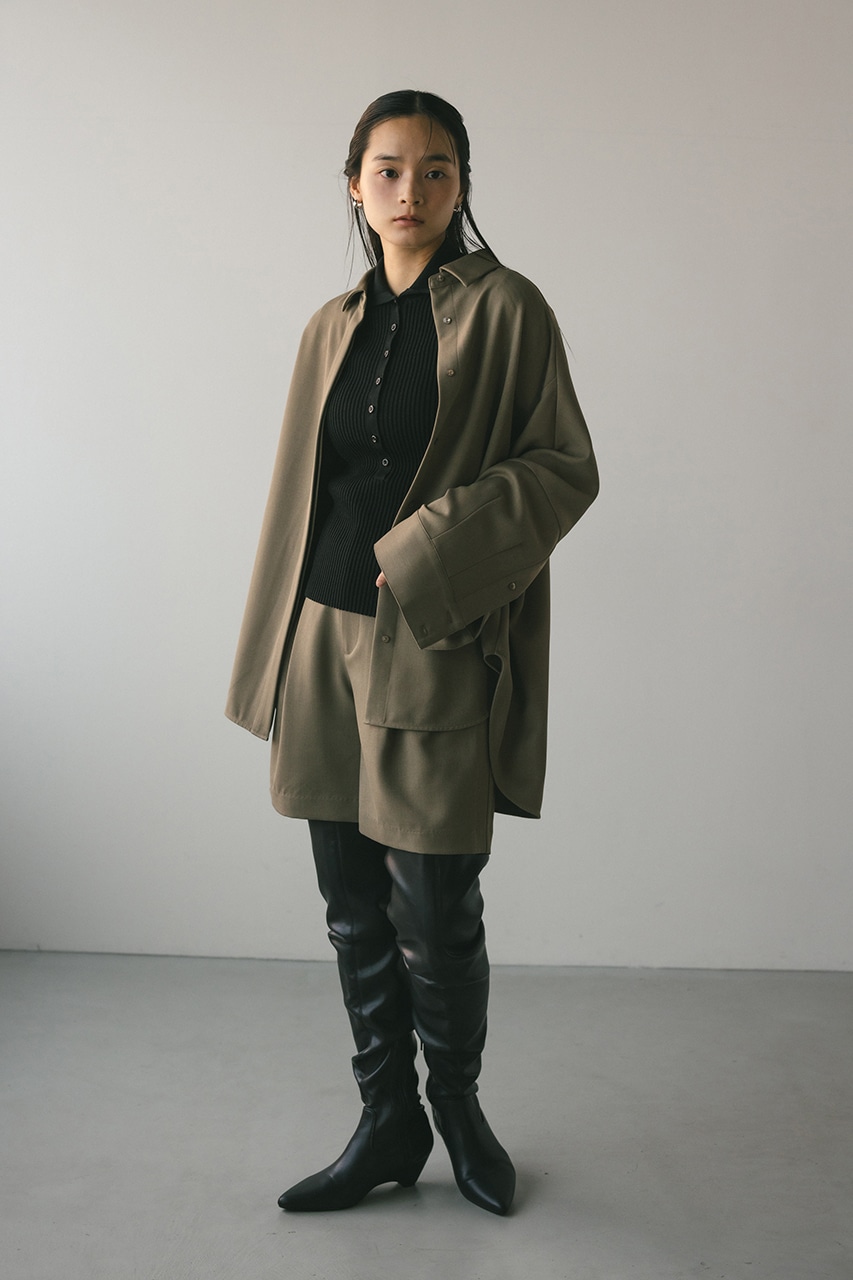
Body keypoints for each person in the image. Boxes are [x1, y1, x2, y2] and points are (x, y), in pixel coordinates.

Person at [225, 89, 598, 1216]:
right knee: (350, 907)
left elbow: (562, 467)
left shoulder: (506, 308)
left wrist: (432, 550)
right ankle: (386, 1121)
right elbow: (305, 491)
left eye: (437, 170)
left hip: (432, 636)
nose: (411, 191)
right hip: (320, 640)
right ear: (353, 185)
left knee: (434, 910)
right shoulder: (329, 325)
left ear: (463, 184)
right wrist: (273, 641)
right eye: (387, 170)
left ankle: (460, 1114)